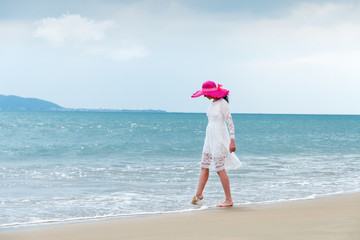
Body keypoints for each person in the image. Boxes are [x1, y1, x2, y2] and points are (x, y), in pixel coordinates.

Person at [191, 81, 242, 207]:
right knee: (204, 165)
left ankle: (229, 199)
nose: (204, 96)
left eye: (205, 94)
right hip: (209, 137)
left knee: (220, 169)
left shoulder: (222, 103)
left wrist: (232, 140)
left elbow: (230, 122)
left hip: (219, 136)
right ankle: (198, 194)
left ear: (213, 92)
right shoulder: (211, 103)